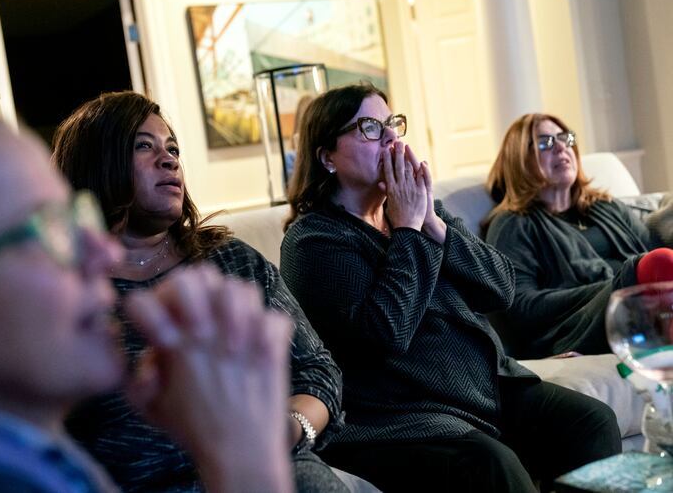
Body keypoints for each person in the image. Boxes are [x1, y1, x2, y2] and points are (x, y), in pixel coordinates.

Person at [0, 105, 294, 492]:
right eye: (46, 228)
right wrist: (242, 453)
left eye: (75, 217)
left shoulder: (23, 449)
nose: (106, 254)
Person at [280, 83, 622, 492]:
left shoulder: (425, 210)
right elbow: (388, 331)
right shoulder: (314, 240)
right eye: (369, 127)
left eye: (392, 124)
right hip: (406, 410)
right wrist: (407, 228)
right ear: (327, 156)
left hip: (486, 387)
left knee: (592, 421)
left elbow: (501, 287)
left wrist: (433, 225)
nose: (390, 136)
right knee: (490, 464)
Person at [51, 91, 363, 493]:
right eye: (144, 146)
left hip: (278, 472)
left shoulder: (231, 262)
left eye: (173, 148)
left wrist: (288, 430)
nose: (169, 159)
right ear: (97, 164)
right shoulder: (69, 293)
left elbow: (317, 371)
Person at [484, 113, 673, 359]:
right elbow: (522, 306)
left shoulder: (607, 206)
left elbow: (649, 250)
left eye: (565, 139)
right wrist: (616, 288)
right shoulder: (513, 223)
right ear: (519, 160)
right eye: (545, 143)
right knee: (658, 263)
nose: (562, 147)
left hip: (642, 308)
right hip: (574, 327)